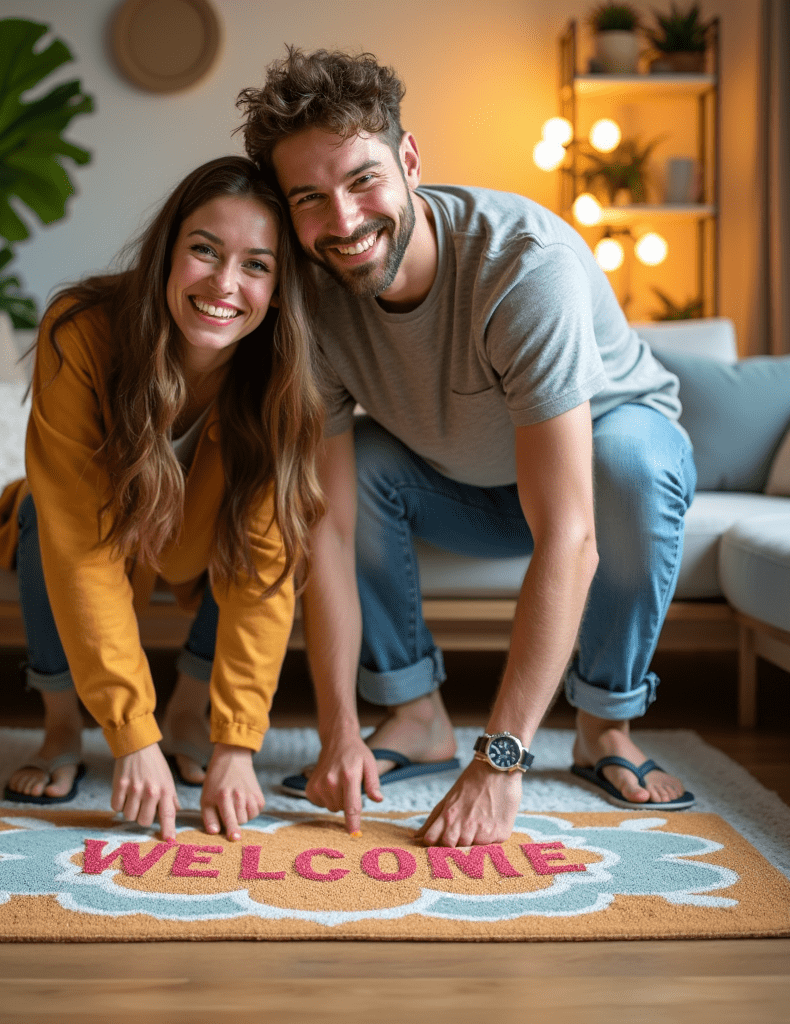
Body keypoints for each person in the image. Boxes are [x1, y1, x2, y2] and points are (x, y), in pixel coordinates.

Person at [187, 46, 698, 847]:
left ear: (410, 159)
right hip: (469, 484)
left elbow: (570, 534)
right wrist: (338, 731)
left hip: (598, 471)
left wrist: (500, 762)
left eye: (363, 180)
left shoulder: (524, 269)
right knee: (356, 465)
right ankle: (412, 713)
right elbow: (331, 529)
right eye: (311, 199)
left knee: (626, 462)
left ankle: (607, 725)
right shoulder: (309, 305)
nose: (346, 221)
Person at [0, 156, 326, 842]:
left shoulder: (283, 375)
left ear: (280, 288)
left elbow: (263, 566)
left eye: (256, 265)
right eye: (204, 250)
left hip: (201, 536)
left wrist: (238, 746)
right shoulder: (80, 329)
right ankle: (60, 731)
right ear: (168, 251)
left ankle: (193, 716)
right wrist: (131, 739)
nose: (225, 284)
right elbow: (79, 545)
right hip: (88, 523)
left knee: (258, 529)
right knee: (40, 517)